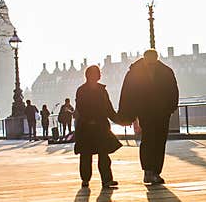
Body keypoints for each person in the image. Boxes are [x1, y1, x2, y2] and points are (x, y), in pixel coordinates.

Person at [118, 49, 179, 185]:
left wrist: (170, 108)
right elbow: (128, 94)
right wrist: (128, 114)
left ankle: (155, 171)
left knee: (159, 141)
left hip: (162, 112)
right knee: (149, 140)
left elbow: (173, 91)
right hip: (146, 112)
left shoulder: (165, 72)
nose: (151, 64)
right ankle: (148, 171)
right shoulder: (135, 73)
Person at [75, 65, 121, 189]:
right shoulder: (82, 90)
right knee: (86, 155)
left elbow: (109, 108)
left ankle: (106, 180)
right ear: (90, 75)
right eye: (98, 73)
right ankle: (85, 179)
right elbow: (81, 107)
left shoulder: (101, 90)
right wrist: (90, 118)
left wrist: (119, 120)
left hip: (100, 126)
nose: (100, 75)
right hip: (87, 126)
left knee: (103, 154)